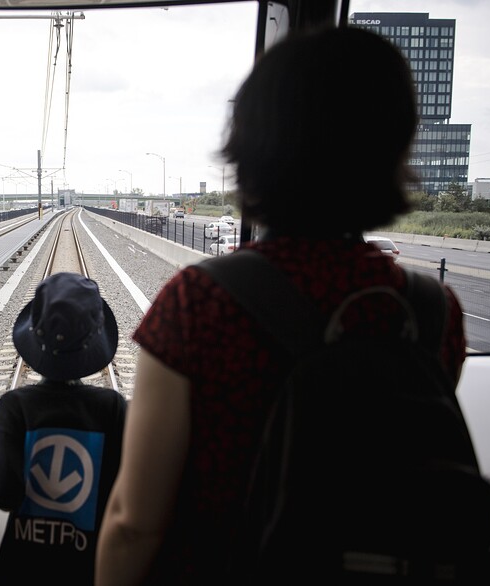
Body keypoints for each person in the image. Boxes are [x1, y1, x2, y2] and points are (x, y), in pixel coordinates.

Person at [95, 26, 467, 585]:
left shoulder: (201, 304)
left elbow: (134, 522)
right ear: (392, 151)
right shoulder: (431, 310)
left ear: (250, 151)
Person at [0, 271, 127, 585]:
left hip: (21, 569)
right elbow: (124, 499)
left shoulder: (13, 406)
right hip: (92, 569)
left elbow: (3, 496)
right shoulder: (113, 408)